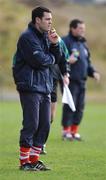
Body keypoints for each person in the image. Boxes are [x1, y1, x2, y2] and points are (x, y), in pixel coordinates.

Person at [12, 6, 68, 171]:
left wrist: (55, 44)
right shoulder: (27, 37)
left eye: (51, 19)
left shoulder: (46, 36)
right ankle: (24, 163)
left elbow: (54, 60)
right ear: (37, 20)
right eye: (47, 19)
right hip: (30, 86)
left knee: (45, 125)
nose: (51, 22)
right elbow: (39, 61)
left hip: (45, 86)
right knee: (32, 124)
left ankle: (34, 160)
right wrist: (50, 57)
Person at [61, 19, 100, 141]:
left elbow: (87, 62)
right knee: (69, 105)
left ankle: (74, 131)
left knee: (80, 106)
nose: (83, 31)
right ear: (72, 28)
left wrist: (93, 72)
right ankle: (66, 131)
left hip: (82, 81)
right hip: (70, 80)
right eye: (80, 28)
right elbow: (58, 60)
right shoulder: (65, 41)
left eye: (84, 28)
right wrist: (67, 60)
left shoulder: (83, 44)